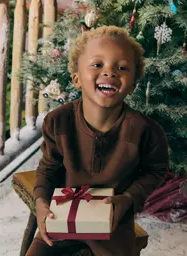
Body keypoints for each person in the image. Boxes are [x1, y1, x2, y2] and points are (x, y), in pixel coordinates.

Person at [26, 25, 169, 256]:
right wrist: (41, 203)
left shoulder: (147, 131)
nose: (110, 73)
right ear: (76, 79)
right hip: (61, 220)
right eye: (97, 64)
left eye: (121, 68)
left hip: (113, 225)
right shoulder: (58, 121)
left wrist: (128, 199)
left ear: (132, 85)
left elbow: (155, 171)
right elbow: (48, 167)